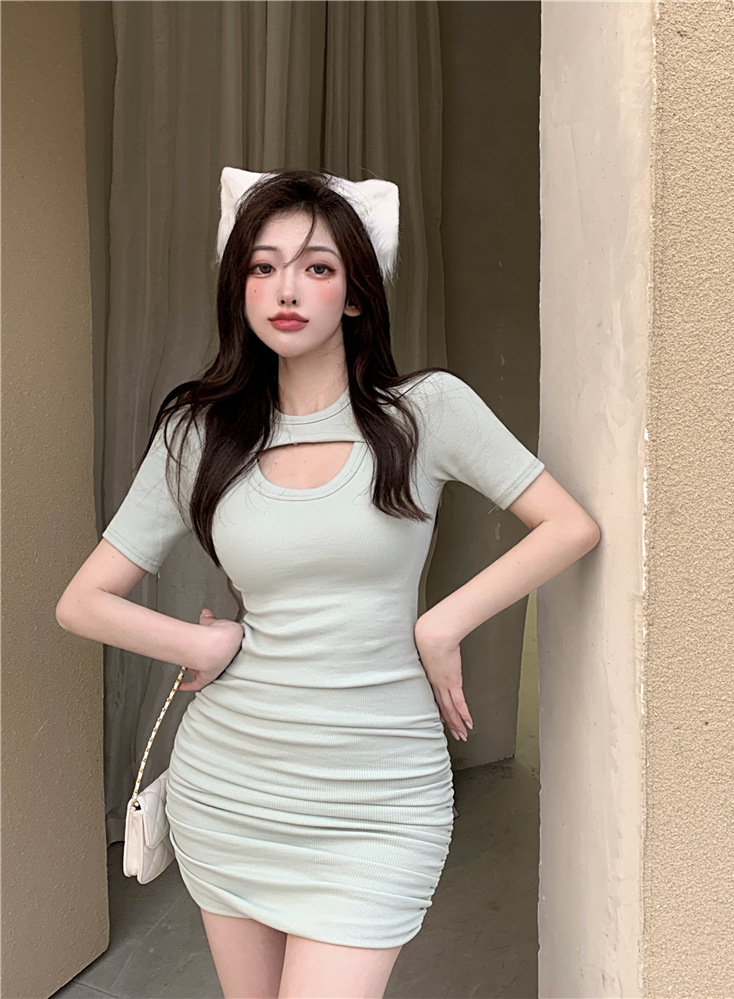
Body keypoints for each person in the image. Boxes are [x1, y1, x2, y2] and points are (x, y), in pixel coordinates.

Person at [56, 167, 601, 999]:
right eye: (262, 266)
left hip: (379, 799)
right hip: (234, 787)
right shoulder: (199, 433)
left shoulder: (427, 412)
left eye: (316, 266)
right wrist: (199, 642)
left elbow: (569, 524)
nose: (286, 288)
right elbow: (82, 601)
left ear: (354, 294)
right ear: (240, 288)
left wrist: (441, 623)